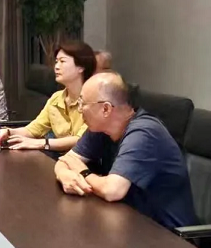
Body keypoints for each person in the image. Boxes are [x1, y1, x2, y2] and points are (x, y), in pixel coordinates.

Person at [54, 72, 197, 230]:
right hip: (128, 221)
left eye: (83, 103)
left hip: (167, 235)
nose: (80, 109)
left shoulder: (144, 133)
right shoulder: (101, 128)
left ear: (106, 109)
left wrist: (83, 172)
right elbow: (67, 160)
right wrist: (64, 175)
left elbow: (112, 190)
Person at [1, 41, 97, 152]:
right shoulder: (56, 98)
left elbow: (81, 140)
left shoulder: (93, 100)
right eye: (56, 62)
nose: (56, 67)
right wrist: (8, 132)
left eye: (62, 61)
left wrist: (42, 143)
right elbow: (34, 130)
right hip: (60, 157)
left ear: (81, 67)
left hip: (85, 159)